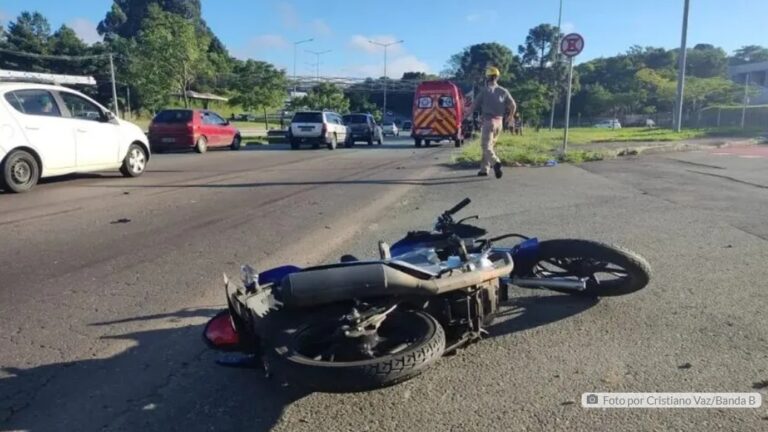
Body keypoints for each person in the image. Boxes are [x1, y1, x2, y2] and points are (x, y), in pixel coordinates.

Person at [467, 66, 517, 178]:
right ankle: (484, 170)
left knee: (485, 146)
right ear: (497, 77)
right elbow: (513, 105)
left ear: (487, 77)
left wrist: (466, 115)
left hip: (488, 122)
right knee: (490, 146)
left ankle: (496, 163)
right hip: (499, 122)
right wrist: (510, 116)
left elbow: (474, 105)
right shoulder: (504, 91)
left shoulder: (484, 91)